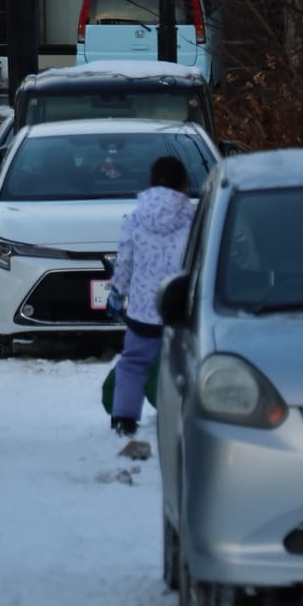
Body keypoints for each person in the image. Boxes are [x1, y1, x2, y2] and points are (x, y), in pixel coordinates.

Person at [107, 153, 197, 459]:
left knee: (133, 364)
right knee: (185, 366)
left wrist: (117, 293)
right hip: (182, 308)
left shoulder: (134, 218)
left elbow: (125, 261)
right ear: (183, 183)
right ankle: (187, 416)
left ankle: (123, 420)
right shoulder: (193, 217)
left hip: (144, 309)